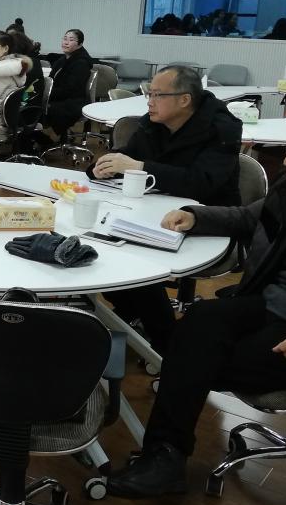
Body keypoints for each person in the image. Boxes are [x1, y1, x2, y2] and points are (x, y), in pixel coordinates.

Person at [107, 106, 286, 498]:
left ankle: (165, 455)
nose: (285, 161)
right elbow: (250, 217)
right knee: (197, 326)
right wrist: (197, 217)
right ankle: (164, 456)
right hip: (271, 305)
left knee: (196, 361)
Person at [89, 66, 243, 354]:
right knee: (101, 245)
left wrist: (140, 167)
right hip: (152, 212)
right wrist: (103, 167)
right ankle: (133, 316)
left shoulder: (222, 129)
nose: (149, 101)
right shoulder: (154, 123)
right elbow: (129, 157)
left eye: (157, 95)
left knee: (138, 261)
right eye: (149, 94)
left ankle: (165, 345)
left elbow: (201, 183)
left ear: (184, 100)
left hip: (206, 219)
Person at [41, 28, 92, 138]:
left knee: (41, 107)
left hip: (73, 101)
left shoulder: (81, 63)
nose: (66, 42)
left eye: (71, 40)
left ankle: (44, 137)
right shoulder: (63, 60)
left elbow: (70, 90)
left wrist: (47, 95)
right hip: (61, 97)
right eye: (65, 39)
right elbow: (51, 80)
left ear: (80, 44)